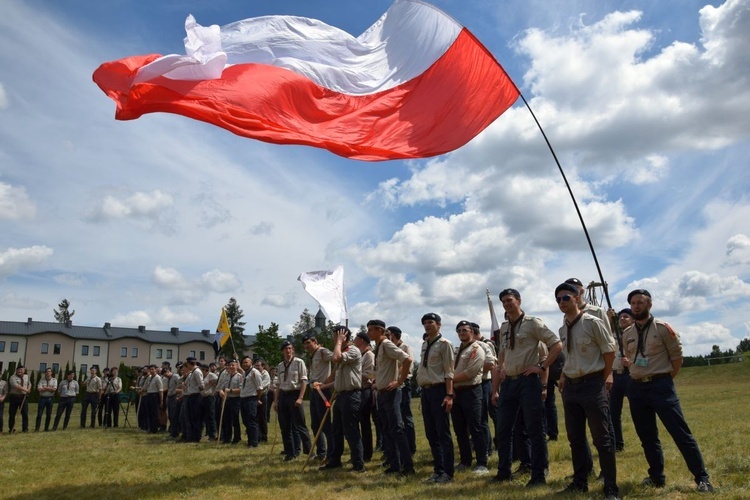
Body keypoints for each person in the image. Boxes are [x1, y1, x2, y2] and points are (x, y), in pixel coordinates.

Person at [623, 289, 714, 493]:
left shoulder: (663, 328)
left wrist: (664, 380)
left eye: (640, 302)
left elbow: (677, 359)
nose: (636, 306)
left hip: (661, 386)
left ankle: (702, 478)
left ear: (649, 305)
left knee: (680, 433)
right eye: (633, 303)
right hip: (636, 388)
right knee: (647, 437)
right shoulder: (627, 333)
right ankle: (656, 477)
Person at [555, 282, 620, 499]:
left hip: (592, 384)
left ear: (576, 297)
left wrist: (602, 378)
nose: (562, 302)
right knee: (575, 438)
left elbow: (609, 352)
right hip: (571, 387)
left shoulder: (593, 322)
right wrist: (564, 376)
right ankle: (579, 481)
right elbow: (569, 357)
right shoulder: (562, 329)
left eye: (565, 297)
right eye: (558, 299)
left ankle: (610, 487)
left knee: (602, 438)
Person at [492, 289, 562, 486]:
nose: (506, 304)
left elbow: (556, 344)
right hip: (510, 382)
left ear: (519, 301)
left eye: (509, 300)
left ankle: (538, 474)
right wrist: (502, 367)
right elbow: (503, 352)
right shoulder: (505, 327)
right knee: (503, 429)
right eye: (503, 301)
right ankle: (503, 472)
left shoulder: (533, 323)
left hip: (528, 380)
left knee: (534, 428)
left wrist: (542, 367)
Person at [368, 320, 414, 476]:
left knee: (397, 429)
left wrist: (399, 381)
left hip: (391, 393)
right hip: (382, 393)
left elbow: (407, 359)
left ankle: (408, 466)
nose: (368, 333)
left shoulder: (386, 344)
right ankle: (394, 464)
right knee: (387, 430)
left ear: (379, 330)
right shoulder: (379, 347)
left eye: (371, 330)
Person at [319, 326, 365, 473]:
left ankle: (359, 465)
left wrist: (339, 343)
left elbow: (336, 358)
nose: (335, 339)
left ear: (345, 337)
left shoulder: (353, 350)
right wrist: (324, 384)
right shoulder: (342, 351)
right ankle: (335, 461)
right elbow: (337, 376)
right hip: (340, 395)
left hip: (351, 395)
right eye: (334, 337)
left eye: (337, 337)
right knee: (336, 430)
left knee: (351, 431)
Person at [417, 312, 455, 484]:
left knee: (442, 433)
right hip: (426, 391)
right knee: (430, 433)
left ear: (439, 324)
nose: (427, 325)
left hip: (439, 390)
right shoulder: (425, 344)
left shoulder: (444, 344)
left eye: (430, 322)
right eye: (425, 323)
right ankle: (438, 470)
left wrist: (449, 394)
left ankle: (448, 472)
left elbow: (449, 371)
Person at [451, 320, 489, 475]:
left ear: (472, 331)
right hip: (456, 392)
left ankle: (482, 463)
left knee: (476, 427)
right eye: (459, 330)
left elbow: (470, 372)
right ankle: (465, 460)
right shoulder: (456, 350)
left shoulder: (477, 349)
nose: (461, 333)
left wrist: (449, 380)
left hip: (471, 391)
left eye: (465, 330)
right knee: (460, 429)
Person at [273, 341, 312, 461]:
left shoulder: (299, 362)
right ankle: (290, 452)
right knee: (285, 427)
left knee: (300, 425)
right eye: (285, 349)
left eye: (289, 348)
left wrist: (300, 397)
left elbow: (304, 381)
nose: (287, 351)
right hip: (284, 396)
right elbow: (278, 384)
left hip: (295, 394)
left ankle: (309, 452)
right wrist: (276, 400)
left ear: (293, 350)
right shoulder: (280, 365)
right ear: (282, 351)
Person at [303, 333, 334, 461]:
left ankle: (332, 453)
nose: (306, 346)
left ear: (315, 341)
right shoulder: (313, 355)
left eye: (308, 343)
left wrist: (329, 380)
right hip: (314, 391)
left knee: (325, 424)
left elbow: (337, 360)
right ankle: (322, 452)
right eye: (305, 344)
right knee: (315, 424)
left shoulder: (322, 352)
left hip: (322, 391)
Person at [388, 326, 417, 456]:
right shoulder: (390, 348)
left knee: (406, 416)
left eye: (388, 335)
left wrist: (396, 378)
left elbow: (407, 365)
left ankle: (410, 447)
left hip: (403, 384)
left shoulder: (405, 348)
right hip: (392, 385)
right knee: (396, 417)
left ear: (393, 335)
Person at [471, 322, 497, 458]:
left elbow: (492, 364)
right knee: (479, 419)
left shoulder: (486, 344)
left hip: (486, 382)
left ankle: (488, 448)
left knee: (485, 418)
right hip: (474, 384)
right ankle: (481, 446)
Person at [609, 308, 633, 452]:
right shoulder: (614, 335)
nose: (622, 319)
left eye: (626, 316)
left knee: (638, 411)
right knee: (613, 413)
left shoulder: (635, 335)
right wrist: (610, 320)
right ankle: (617, 443)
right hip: (615, 376)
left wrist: (630, 362)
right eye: (620, 317)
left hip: (630, 375)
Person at [354, 331, 376, 462]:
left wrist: (353, 375)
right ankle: (361, 451)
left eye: (356, 338)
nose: (354, 340)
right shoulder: (361, 355)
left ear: (361, 341)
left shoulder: (369, 355)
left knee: (365, 423)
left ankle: (367, 453)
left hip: (365, 390)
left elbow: (370, 374)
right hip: (358, 390)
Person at [240, 355, 263, 448]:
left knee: (252, 421)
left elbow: (260, 388)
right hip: (243, 399)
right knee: (246, 421)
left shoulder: (255, 373)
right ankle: (250, 440)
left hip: (251, 398)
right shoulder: (244, 373)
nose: (245, 364)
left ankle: (254, 442)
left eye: (247, 362)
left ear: (251, 363)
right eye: (243, 363)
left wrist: (257, 399)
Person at [219, 359, 243, 444]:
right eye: (230, 365)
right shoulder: (226, 376)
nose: (231, 367)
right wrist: (221, 392)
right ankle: (227, 438)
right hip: (226, 400)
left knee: (235, 420)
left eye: (233, 365)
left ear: (237, 366)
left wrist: (230, 390)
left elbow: (241, 389)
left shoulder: (240, 376)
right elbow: (222, 387)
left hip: (235, 399)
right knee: (226, 419)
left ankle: (237, 438)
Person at [182, 357, 204, 442]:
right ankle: (191, 436)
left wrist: (197, 391)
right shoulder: (193, 372)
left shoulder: (197, 372)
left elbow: (201, 385)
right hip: (191, 396)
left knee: (195, 418)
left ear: (188, 364)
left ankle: (196, 436)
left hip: (196, 396)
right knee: (191, 417)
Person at [9, 365, 31, 433]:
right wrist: (26, 390)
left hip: (23, 397)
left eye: (21, 370)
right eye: (18, 370)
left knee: (25, 414)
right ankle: (11, 429)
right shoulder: (12, 377)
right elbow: (17, 386)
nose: (20, 371)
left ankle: (25, 429)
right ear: (16, 370)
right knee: (12, 414)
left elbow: (29, 384)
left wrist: (29, 389)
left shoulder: (26, 376)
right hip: (14, 397)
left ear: (24, 371)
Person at [36, 367, 58, 432]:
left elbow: (54, 389)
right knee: (39, 414)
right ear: (45, 373)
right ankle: (37, 428)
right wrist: (49, 388)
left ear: (51, 373)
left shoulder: (54, 380)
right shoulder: (41, 380)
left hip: (50, 399)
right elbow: (39, 389)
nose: (48, 372)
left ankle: (46, 428)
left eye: (49, 371)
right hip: (42, 398)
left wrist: (44, 388)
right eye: (47, 371)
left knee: (48, 414)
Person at [200, 363, 218, 440]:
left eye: (202, 370)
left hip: (210, 396)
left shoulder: (212, 376)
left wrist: (214, 384)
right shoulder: (202, 376)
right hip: (203, 397)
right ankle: (207, 432)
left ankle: (212, 434)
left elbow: (218, 382)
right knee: (205, 416)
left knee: (210, 416)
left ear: (206, 370)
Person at [145, 364, 164, 433]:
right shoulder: (150, 378)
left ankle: (154, 429)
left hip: (155, 396)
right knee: (149, 412)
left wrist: (161, 400)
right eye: (150, 369)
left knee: (154, 413)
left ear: (155, 369)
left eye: (153, 369)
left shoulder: (157, 378)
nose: (151, 370)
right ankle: (150, 428)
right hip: (149, 395)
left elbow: (160, 390)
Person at [255, 359, 271, 442]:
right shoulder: (255, 373)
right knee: (255, 417)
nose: (257, 367)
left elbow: (261, 386)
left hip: (262, 396)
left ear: (263, 366)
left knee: (262, 417)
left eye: (258, 365)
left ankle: (264, 437)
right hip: (255, 396)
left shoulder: (265, 374)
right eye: (256, 365)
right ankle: (257, 436)